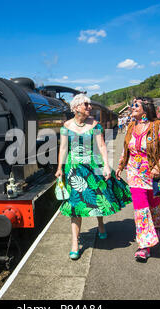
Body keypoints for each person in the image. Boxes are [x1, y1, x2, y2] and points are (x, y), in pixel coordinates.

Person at [56, 93, 132, 260]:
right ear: (76, 108)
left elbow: (102, 146)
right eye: (86, 105)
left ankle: (100, 224)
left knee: (97, 197)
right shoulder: (66, 127)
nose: (90, 107)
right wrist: (60, 167)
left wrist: (106, 165)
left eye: (89, 105)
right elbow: (63, 149)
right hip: (74, 169)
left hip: (93, 165)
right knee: (75, 206)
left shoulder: (95, 125)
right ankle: (75, 243)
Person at [116, 97, 160, 262]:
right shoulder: (131, 126)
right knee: (141, 209)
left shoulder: (158, 126)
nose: (132, 108)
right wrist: (121, 165)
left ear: (146, 108)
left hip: (153, 173)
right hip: (134, 173)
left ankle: (156, 227)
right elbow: (126, 149)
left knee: (153, 204)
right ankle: (144, 245)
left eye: (136, 105)